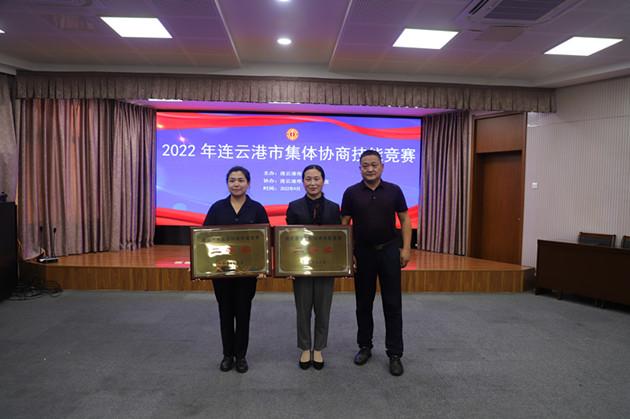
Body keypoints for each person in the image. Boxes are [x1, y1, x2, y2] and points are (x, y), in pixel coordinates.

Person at [340, 150, 411, 376]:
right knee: (363, 303)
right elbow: (344, 224)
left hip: (389, 251)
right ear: (359, 168)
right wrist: (349, 252)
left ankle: (395, 354)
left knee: (393, 304)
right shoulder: (351, 192)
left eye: (373, 165)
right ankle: (365, 346)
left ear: (382, 167)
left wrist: (406, 248)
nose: (369, 169)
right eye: (365, 165)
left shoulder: (394, 190)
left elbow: (405, 219)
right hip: (363, 253)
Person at [200, 166, 269, 373]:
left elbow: (265, 241)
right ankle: (227, 355)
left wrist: (263, 265)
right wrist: (202, 267)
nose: (236, 184)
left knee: (243, 313)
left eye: (240, 180)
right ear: (227, 183)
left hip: (247, 273)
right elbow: (203, 239)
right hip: (222, 272)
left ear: (249, 183)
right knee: (225, 313)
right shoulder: (217, 208)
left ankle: (241, 356)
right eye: (232, 180)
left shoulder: (257, 209)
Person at [285, 164, 341, 370]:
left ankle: (318, 348)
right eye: (308, 179)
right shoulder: (294, 206)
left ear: (323, 181)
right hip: (301, 266)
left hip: (326, 266)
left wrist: (341, 265)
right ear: (303, 182)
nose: (312, 183)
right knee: (303, 309)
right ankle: (305, 348)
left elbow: (339, 238)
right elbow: (288, 239)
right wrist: (288, 266)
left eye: (316, 179)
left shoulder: (334, 207)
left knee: (323, 309)